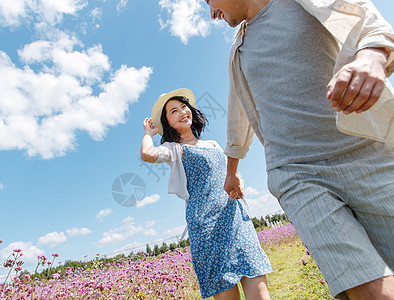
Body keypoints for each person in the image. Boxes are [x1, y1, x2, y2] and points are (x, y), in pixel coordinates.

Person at [202, 0, 394, 299]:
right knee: (370, 290)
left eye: (208, 0)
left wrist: (372, 55)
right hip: (296, 174)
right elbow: (237, 117)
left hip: (369, 154)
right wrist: (231, 173)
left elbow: (363, 17)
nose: (211, 13)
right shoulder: (238, 52)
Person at [140, 88, 272, 300]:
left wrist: (237, 179)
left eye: (183, 106)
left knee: (258, 286)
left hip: (235, 217)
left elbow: (228, 172)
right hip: (206, 227)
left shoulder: (213, 144)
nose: (182, 112)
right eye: (173, 111)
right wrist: (148, 134)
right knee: (225, 292)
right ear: (168, 123)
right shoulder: (174, 149)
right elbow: (148, 154)